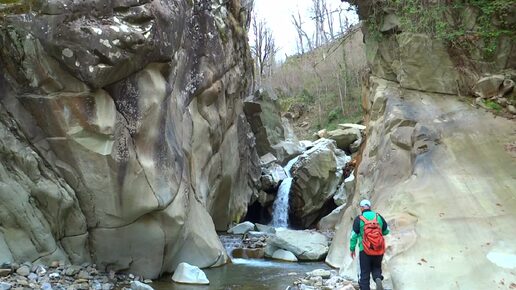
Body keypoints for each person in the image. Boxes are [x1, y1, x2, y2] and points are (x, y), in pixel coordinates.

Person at [350, 199, 389, 290]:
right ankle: (378, 278)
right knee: (376, 268)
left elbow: (353, 236)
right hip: (378, 249)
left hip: (364, 250)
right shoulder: (378, 217)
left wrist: (352, 249)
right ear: (370, 207)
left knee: (364, 274)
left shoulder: (359, 219)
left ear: (362, 208)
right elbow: (387, 231)